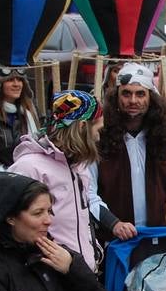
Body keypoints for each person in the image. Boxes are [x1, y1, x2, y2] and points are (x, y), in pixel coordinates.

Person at [84, 61, 166, 240]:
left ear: (150, 97)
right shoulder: (100, 138)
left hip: (155, 238)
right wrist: (114, 224)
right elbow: (88, 192)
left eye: (140, 94)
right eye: (126, 94)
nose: (133, 100)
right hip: (112, 241)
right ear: (116, 97)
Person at [10, 89, 102, 271]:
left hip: (80, 272)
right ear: (83, 126)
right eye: (98, 129)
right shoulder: (30, 167)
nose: (99, 136)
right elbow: (15, 228)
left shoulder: (79, 165)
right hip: (49, 274)